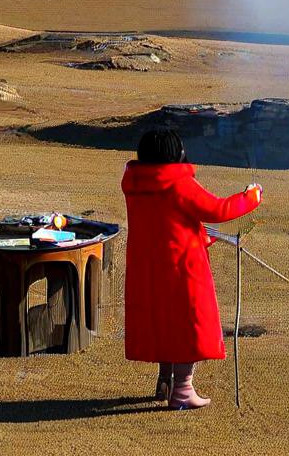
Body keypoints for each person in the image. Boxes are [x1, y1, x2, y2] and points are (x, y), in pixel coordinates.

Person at [122, 128, 262, 409]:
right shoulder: (178, 184)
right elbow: (218, 210)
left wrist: (198, 234)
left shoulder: (134, 182)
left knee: (160, 322)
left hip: (147, 267)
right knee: (186, 326)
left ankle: (165, 381)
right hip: (182, 268)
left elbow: (166, 222)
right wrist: (251, 197)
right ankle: (183, 390)